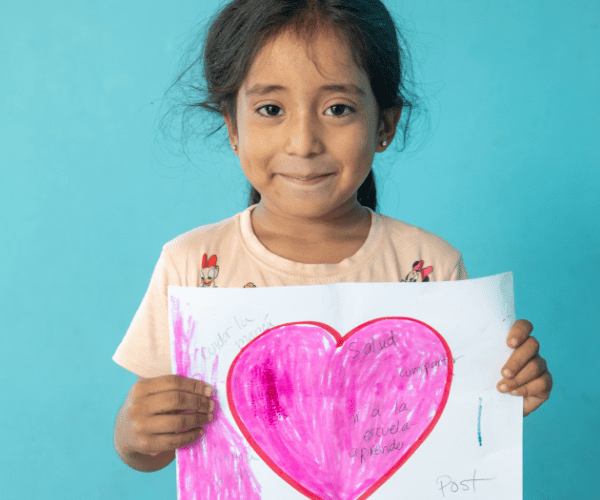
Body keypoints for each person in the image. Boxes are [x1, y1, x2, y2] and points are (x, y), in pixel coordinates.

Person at [113, 0, 552, 473]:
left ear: (384, 125)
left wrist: (509, 393)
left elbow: (458, 431)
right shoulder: (191, 265)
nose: (303, 142)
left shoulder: (428, 267)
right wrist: (136, 434)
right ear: (233, 126)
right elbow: (148, 445)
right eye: (271, 109)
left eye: (337, 108)